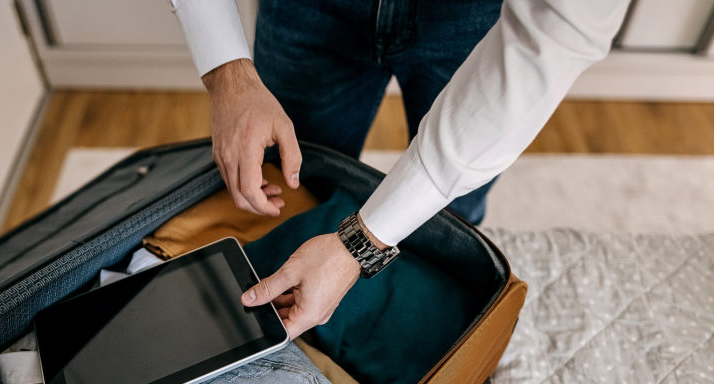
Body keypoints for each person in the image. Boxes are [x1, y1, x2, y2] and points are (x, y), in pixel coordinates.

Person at [172, 0, 630, 339]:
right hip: (306, 9)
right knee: (298, 189)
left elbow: (552, 40)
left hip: (473, 19)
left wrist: (361, 244)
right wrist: (227, 72)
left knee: (449, 224)